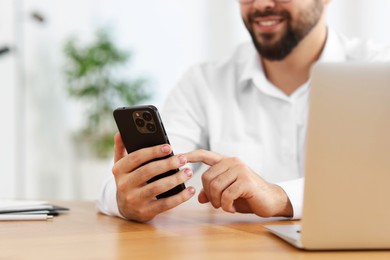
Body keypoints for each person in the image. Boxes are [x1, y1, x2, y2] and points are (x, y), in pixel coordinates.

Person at [97, 0, 390, 222]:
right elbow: (116, 189)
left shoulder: (380, 72)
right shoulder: (204, 84)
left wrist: (281, 197)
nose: (261, 5)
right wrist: (125, 198)